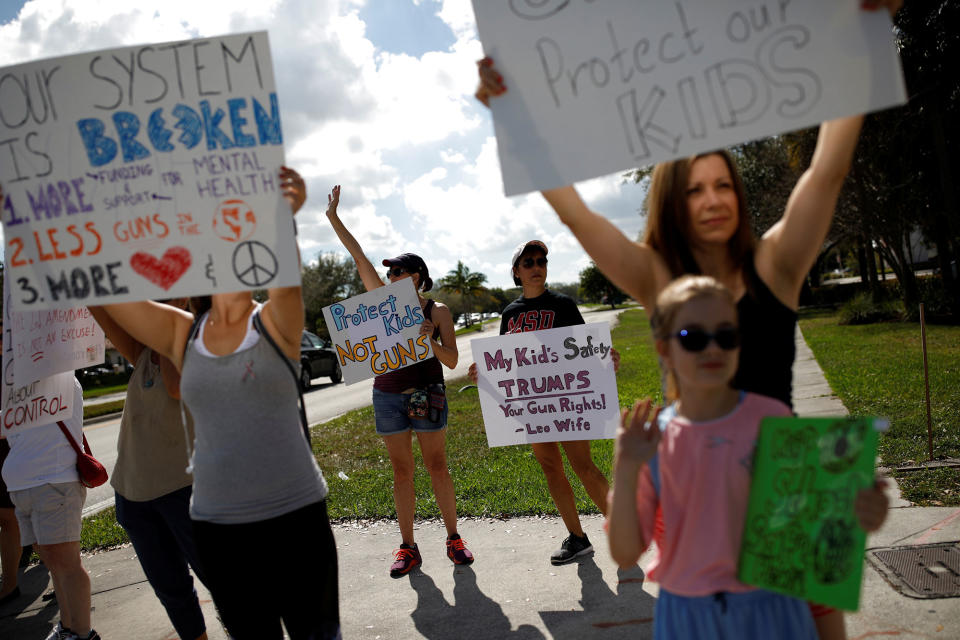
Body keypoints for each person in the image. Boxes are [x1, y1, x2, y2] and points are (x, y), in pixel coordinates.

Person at [475, 2, 897, 633]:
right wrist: (515, 121)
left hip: (787, 470)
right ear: (675, 198)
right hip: (692, 469)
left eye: (723, 184)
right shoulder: (656, 277)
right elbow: (577, 218)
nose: (712, 199)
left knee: (817, 629)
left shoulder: (775, 264)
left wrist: (867, 34)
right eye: (695, 188)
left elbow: (828, 171)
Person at [98, 167, 341, 639]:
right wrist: (63, 228)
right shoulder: (179, 333)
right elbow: (110, 292)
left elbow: (287, 283)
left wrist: (280, 215)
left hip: (296, 520)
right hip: (218, 528)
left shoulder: (274, 323)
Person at [607, 276, 885, 639]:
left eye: (727, 336)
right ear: (664, 349)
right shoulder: (652, 441)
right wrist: (626, 469)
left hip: (774, 609)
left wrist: (861, 512)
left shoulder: (772, 421)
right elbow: (626, 553)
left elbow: (808, 536)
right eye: (693, 337)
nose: (713, 348)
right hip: (688, 618)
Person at [325, 185, 474, 578]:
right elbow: (358, 256)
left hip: (429, 392)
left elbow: (453, 359)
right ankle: (408, 547)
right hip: (388, 395)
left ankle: (454, 538)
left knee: (437, 466)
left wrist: (429, 339)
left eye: (397, 271)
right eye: (388, 271)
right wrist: (333, 217)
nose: (389, 276)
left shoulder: (436, 310)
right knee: (401, 472)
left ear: (418, 278)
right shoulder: (378, 300)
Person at [468, 240, 619, 564]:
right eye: (529, 262)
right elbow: (505, 361)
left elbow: (586, 352)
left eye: (541, 260)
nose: (537, 266)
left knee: (584, 467)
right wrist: (483, 373)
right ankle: (578, 538)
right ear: (516, 272)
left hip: (564, 402)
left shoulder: (563, 305)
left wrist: (607, 362)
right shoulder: (511, 314)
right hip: (532, 404)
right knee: (552, 468)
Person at [88, 300, 210, 640]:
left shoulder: (195, 338)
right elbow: (99, 307)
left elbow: (175, 385)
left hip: (186, 489)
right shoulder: (144, 349)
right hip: (135, 493)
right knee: (171, 590)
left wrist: (166, 316)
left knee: (226, 582)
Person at [1, 377, 99, 640]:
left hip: (53, 482)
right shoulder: (14, 384)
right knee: (52, 560)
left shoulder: (60, 378)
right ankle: (68, 628)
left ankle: (82, 633)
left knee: (66, 562)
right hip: (24, 487)